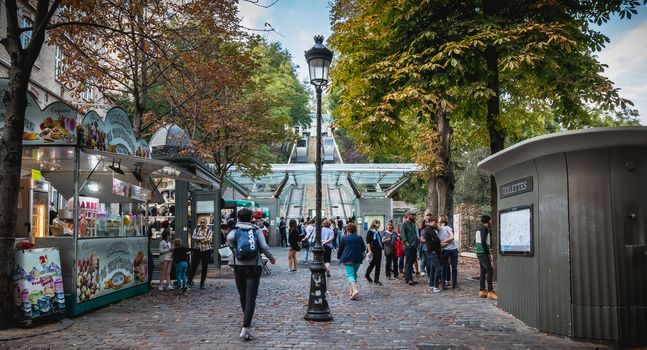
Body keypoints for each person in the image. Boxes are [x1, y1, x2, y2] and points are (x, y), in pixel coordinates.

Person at [227, 208, 276, 341]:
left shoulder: (234, 229)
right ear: (251, 218)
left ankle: (246, 321)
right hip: (254, 266)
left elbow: (230, 241)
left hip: (238, 266)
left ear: (238, 217)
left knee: (242, 294)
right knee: (251, 296)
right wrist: (271, 258)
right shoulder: (255, 230)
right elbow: (264, 247)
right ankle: (246, 326)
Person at [337, 223, 365, 300]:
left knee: (350, 275)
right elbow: (363, 248)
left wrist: (339, 256)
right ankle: (351, 291)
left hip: (348, 259)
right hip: (358, 259)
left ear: (348, 230)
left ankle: (355, 290)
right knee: (354, 274)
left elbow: (341, 249)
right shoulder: (359, 238)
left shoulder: (345, 238)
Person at [476, 215, 497, 300]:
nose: (491, 223)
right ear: (488, 221)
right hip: (483, 252)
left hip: (479, 252)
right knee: (489, 270)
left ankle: (482, 290)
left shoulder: (479, 228)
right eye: (490, 221)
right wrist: (488, 253)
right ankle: (490, 291)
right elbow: (483, 241)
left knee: (483, 270)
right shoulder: (484, 229)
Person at [188, 218, 213, 290]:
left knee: (204, 268)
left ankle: (202, 283)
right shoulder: (196, 229)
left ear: (206, 223)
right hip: (197, 250)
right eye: (201, 222)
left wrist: (198, 239)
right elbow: (193, 238)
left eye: (203, 223)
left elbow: (207, 240)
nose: (202, 224)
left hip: (206, 250)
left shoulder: (209, 230)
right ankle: (189, 282)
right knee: (193, 266)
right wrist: (202, 238)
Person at [438, 213, 459, 289]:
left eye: (439, 218)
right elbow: (439, 244)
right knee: (444, 267)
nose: (438, 220)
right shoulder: (438, 230)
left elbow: (452, 237)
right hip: (445, 250)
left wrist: (443, 242)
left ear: (442, 220)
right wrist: (446, 242)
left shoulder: (447, 228)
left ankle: (455, 284)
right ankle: (443, 284)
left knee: (454, 268)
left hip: (453, 250)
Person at [423, 214, 442, 292]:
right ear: (430, 222)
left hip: (434, 251)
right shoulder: (429, 229)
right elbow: (436, 239)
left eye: (437, 222)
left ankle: (431, 285)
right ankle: (436, 286)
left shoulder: (431, 229)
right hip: (432, 252)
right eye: (435, 222)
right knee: (438, 268)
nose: (436, 224)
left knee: (433, 268)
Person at [400, 210, 419, 286]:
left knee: (411, 263)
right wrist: (407, 244)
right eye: (412, 215)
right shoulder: (404, 224)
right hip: (409, 246)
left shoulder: (413, 224)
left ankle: (408, 278)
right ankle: (409, 279)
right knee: (408, 263)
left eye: (414, 215)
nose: (414, 216)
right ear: (408, 215)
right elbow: (403, 235)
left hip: (414, 246)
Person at [365, 219, 383, 285]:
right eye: (377, 223)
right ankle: (367, 274)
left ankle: (376, 280)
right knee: (372, 264)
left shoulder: (378, 232)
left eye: (379, 223)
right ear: (374, 224)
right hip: (372, 250)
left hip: (379, 250)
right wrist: (369, 251)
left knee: (378, 265)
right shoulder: (370, 232)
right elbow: (368, 242)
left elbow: (379, 241)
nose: (379, 224)